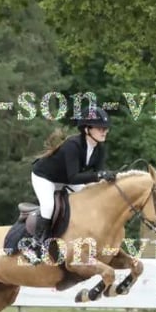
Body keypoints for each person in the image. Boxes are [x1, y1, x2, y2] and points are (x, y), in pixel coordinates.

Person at [27, 107, 117, 258]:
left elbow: (97, 176)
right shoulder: (73, 145)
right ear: (87, 129)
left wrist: (108, 178)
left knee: (89, 201)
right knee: (49, 207)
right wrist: (99, 175)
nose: (105, 131)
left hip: (66, 179)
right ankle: (35, 246)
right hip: (45, 177)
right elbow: (74, 177)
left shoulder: (100, 149)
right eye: (101, 128)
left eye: (106, 129)